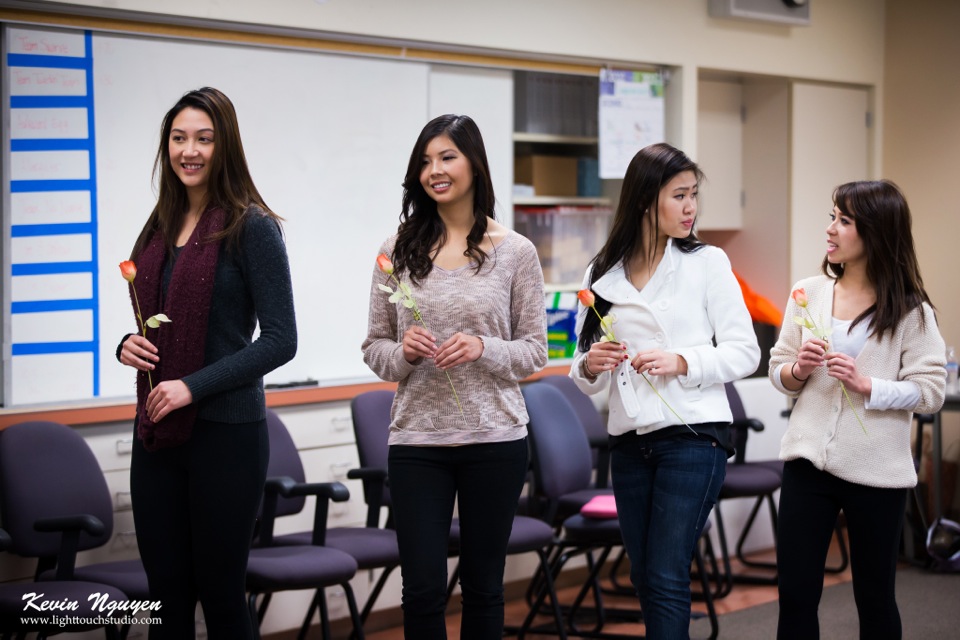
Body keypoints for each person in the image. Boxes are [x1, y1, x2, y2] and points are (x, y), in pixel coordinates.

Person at [117, 87, 297, 639]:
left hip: (227, 435)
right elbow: (153, 317)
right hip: (159, 431)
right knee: (164, 598)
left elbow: (281, 341)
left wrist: (191, 387)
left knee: (220, 597)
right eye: (178, 138)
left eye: (203, 138)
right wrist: (126, 344)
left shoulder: (252, 226)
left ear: (225, 147)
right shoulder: (157, 226)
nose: (188, 150)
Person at [362, 114, 547, 639]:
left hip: (496, 439)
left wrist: (483, 347)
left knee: (484, 589)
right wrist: (405, 354)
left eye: (446, 157)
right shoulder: (395, 251)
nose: (434, 170)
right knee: (421, 592)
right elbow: (374, 346)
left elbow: (535, 351)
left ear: (474, 164)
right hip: (417, 441)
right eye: (425, 161)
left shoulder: (515, 251)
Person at [570, 142, 760, 639]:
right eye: (679, 196)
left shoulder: (707, 262)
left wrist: (682, 360)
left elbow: (746, 352)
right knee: (642, 574)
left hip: (695, 434)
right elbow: (581, 369)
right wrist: (592, 362)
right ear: (644, 201)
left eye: (694, 194)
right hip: (631, 439)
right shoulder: (601, 276)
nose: (691, 207)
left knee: (665, 572)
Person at [769, 180, 945, 640]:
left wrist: (868, 385)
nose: (830, 229)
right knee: (796, 595)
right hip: (808, 464)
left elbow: (930, 391)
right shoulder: (806, 292)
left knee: (875, 598)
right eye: (832, 217)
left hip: (877, 473)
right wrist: (799, 370)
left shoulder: (913, 311)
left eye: (844, 221)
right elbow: (779, 371)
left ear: (876, 234)